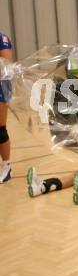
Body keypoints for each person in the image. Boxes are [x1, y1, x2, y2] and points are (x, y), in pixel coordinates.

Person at [0, 31, 13, 183]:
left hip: (1, 88)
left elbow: (7, 65)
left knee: (0, 129)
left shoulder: (1, 38)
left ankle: (6, 167)